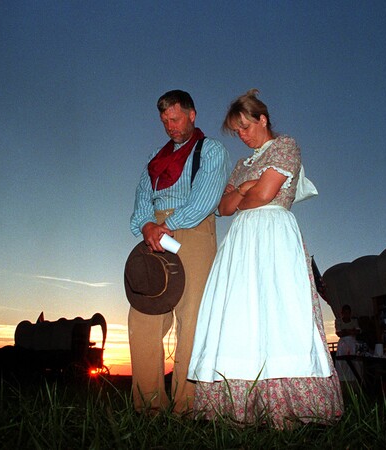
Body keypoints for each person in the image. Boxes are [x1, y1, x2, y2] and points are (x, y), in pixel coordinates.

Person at [187, 89, 343, 428]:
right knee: (239, 315)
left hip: (273, 235)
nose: (242, 136)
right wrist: (246, 188)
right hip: (241, 241)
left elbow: (267, 193)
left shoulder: (286, 146)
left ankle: (291, 410)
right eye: (237, 131)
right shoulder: (242, 164)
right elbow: (223, 208)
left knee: (279, 312)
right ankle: (238, 409)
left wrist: (247, 191)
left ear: (263, 119)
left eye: (245, 127)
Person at [128, 89, 230, 415]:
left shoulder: (211, 150)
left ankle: (188, 408)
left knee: (192, 318)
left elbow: (205, 197)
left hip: (193, 228)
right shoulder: (153, 160)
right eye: (164, 121)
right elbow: (143, 199)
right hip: (156, 233)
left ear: (192, 114)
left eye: (175, 118)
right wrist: (147, 226)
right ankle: (149, 407)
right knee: (143, 314)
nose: (170, 126)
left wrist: (167, 225)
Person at [335, 304, 363, 388]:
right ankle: (343, 382)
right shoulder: (338, 321)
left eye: (348, 312)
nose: (347, 314)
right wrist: (351, 331)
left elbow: (358, 331)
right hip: (343, 344)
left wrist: (345, 331)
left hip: (353, 343)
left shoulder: (354, 321)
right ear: (342, 313)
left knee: (354, 362)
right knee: (343, 362)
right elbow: (339, 333)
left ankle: (355, 381)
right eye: (345, 312)